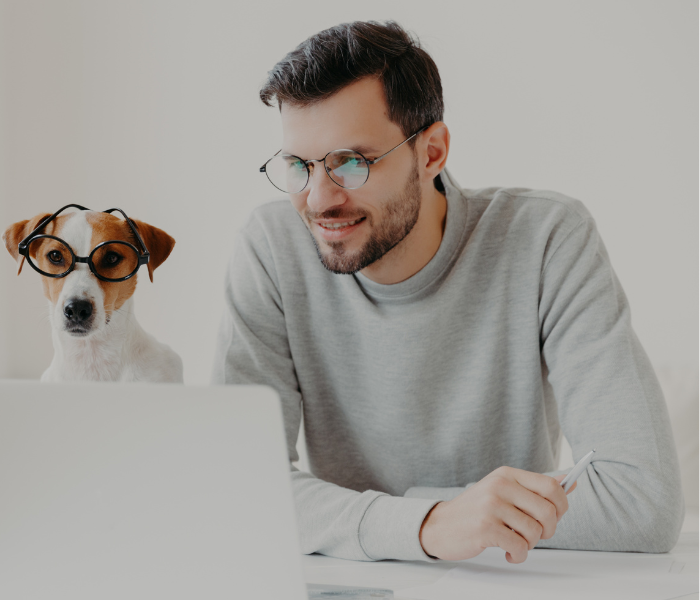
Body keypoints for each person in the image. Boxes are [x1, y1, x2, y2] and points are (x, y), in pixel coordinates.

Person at [210, 20, 683, 564]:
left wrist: (421, 522)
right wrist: (431, 525)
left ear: (432, 152)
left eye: (350, 163)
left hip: (507, 581)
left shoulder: (547, 239)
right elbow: (236, 488)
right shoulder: (271, 247)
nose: (319, 199)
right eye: (299, 166)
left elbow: (643, 499)